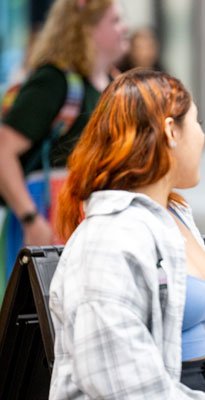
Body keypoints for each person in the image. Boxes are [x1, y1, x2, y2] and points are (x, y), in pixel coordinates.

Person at [49, 69, 205, 399]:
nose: (201, 135)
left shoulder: (174, 218)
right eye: (196, 122)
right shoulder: (107, 240)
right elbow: (125, 387)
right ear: (171, 130)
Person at [0, 0, 128, 285]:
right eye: (116, 21)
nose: (125, 28)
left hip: (90, 218)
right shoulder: (54, 80)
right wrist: (31, 219)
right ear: (87, 28)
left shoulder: (112, 82)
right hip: (48, 214)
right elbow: (3, 150)